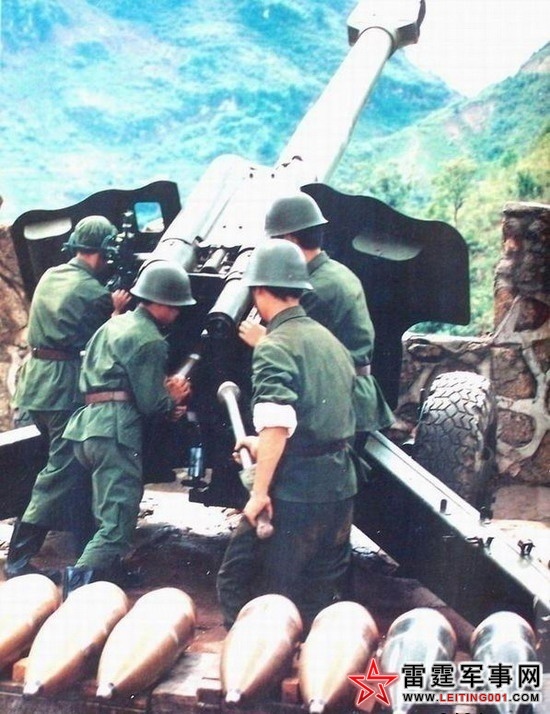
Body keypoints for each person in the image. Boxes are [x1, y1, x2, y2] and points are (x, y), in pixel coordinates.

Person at [216, 239, 358, 630]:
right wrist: (260, 444)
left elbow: (277, 423)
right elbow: (319, 417)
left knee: (243, 586)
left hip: (295, 492)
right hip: (338, 488)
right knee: (316, 600)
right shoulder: (330, 343)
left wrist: (259, 493)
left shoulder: (273, 347)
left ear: (260, 290)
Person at [5, 216, 131, 580]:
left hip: (36, 384)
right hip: (62, 389)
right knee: (61, 472)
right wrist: (116, 311)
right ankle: (19, 559)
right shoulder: (93, 294)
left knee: (63, 468)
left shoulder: (51, 275)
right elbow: (107, 340)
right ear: (102, 253)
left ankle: (86, 558)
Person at [61, 260, 195, 595]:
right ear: (160, 303)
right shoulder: (150, 340)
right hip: (116, 432)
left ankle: (110, 573)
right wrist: (172, 399)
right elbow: (152, 404)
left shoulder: (112, 325)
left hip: (88, 426)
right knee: (117, 520)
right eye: (175, 306)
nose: (177, 313)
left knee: (105, 511)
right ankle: (77, 592)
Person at [239, 192, 394, 444]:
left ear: (290, 239)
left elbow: (301, 354)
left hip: (338, 402)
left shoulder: (316, 290)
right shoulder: (334, 273)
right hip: (351, 395)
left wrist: (264, 341)